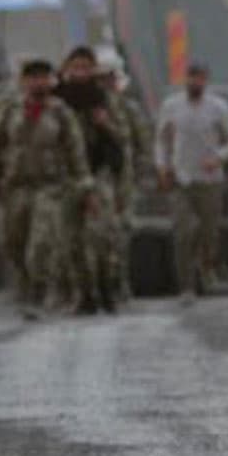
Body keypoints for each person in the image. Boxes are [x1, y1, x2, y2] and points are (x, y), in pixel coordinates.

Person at [0, 59, 94, 319]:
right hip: (15, 188)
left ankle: (40, 293)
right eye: (33, 77)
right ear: (23, 81)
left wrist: (85, 186)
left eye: (44, 77)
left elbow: (75, 152)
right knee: (13, 243)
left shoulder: (61, 113)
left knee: (41, 243)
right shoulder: (10, 111)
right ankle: (25, 288)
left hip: (50, 188)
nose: (39, 83)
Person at [155, 60, 228, 299]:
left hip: (210, 180)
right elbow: (161, 140)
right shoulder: (171, 106)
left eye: (200, 78)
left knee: (208, 232)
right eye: (192, 77)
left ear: (206, 80)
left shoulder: (218, 107)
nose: (196, 82)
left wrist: (218, 158)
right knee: (183, 230)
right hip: (182, 178)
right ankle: (186, 285)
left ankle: (206, 268)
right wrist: (162, 166)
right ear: (185, 79)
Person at [61, 46, 133, 313]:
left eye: (85, 67)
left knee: (102, 234)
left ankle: (107, 287)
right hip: (67, 177)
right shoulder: (58, 100)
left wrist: (105, 124)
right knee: (71, 239)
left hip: (99, 172)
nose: (80, 72)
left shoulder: (104, 99)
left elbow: (123, 138)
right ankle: (82, 295)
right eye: (75, 66)